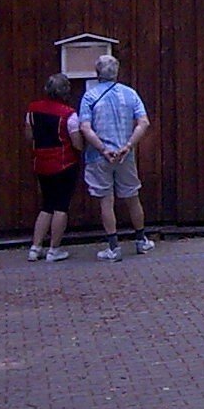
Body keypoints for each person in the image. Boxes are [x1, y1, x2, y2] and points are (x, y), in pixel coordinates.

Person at [77, 55, 153, 262]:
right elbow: (143, 122)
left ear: (97, 72)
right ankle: (141, 240)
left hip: (99, 156)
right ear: (117, 72)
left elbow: (85, 127)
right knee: (132, 196)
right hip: (125, 155)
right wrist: (128, 146)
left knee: (106, 200)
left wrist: (102, 149)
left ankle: (113, 246)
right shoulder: (130, 94)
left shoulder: (89, 96)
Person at [26, 74, 84, 262]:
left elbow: (29, 136)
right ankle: (54, 249)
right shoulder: (69, 114)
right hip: (64, 164)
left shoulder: (32, 110)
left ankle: (35, 248)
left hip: (40, 163)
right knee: (61, 206)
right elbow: (77, 144)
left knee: (47, 205)